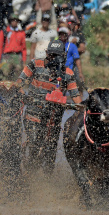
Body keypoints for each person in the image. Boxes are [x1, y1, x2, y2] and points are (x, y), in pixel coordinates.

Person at [17, 40, 82, 174]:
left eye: (57, 56)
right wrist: (26, 97)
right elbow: (18, 84)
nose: (54, 59)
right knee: (34, 143)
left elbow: (76, 98)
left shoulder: (67, 73)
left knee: (50, 151)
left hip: (53, 120)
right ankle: (28, 173)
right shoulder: (35, 64)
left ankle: (47, 182)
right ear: (47, 54)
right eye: (51, 55)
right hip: (33, 115)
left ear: (63, 56)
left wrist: (81, 109)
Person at [0, 14, 27, 80]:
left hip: (17, 56)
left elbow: (24, 48)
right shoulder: (4, 32)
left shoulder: (21, 33)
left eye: (16, 21)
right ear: (10, 21)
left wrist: (24, 62)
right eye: (12, 20)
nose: (14, 22)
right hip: (7, 56)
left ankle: (15, 89)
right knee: (5, 73)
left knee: (18, 75)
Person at [58, 27, 84, 92]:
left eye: (64, 34)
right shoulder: (56, 45)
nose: (62, 36)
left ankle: (80, 98)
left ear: (67, 36)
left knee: (78, 84)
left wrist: (80, 73)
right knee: (58, 87)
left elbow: (77, 60)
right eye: (61, 34)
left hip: (70, 71)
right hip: (59, 71)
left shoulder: (72, 46)